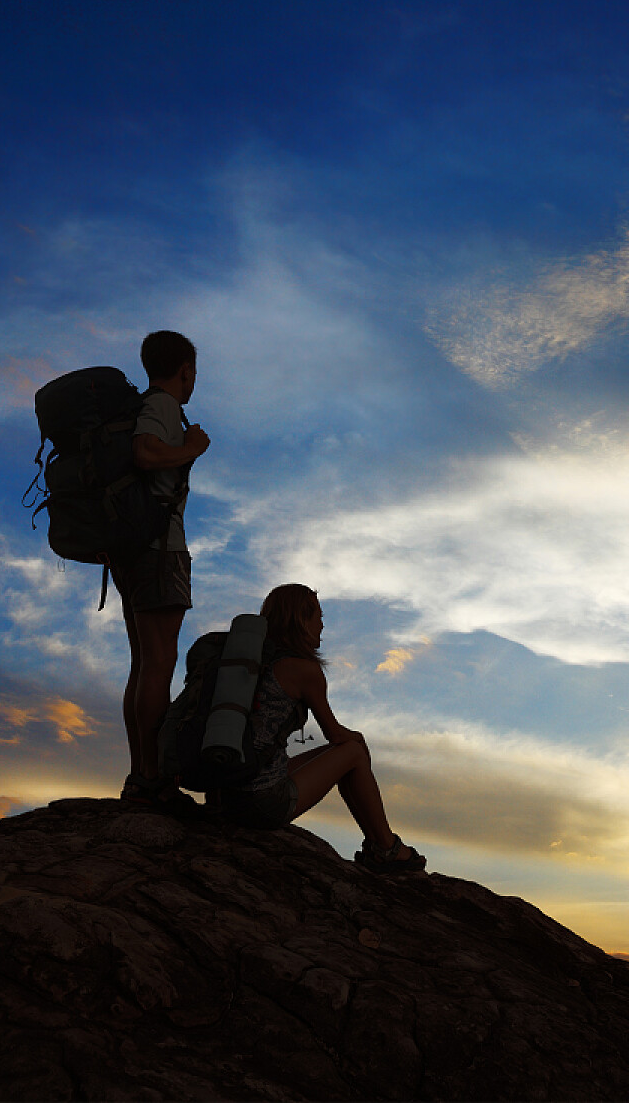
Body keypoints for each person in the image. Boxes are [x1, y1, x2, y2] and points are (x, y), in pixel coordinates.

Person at [213, 583, 426, 873]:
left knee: (345, 752)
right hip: (261, 804)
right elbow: (334, 734)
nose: (322, 625)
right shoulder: (304, 670)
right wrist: (359, 739)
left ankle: (379, 844)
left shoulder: (249, 661)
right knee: (353, 751)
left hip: (224, 794)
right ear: (301, 619)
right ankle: (386, 848)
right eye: (319, 616)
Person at [115, 329, 210, 810]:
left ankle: (142, 775)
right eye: (194, 371)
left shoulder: (144, 405)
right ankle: (151, 780)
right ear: (185, 370)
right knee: (157, 664)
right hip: (157, 550)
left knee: (143, 664)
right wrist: (193, 447)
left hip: (132, 551)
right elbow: (146, 452)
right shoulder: (162, 406)